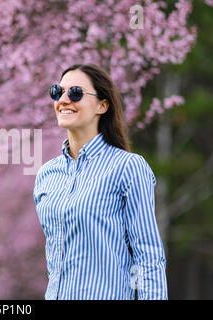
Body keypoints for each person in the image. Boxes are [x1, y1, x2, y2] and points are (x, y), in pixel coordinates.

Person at [33, 63, 168, 300]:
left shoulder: (128, 167)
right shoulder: (47, 175)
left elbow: (148, 256)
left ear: (102, 105)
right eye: (57, 92)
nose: (63, 100)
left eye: (75, 93)